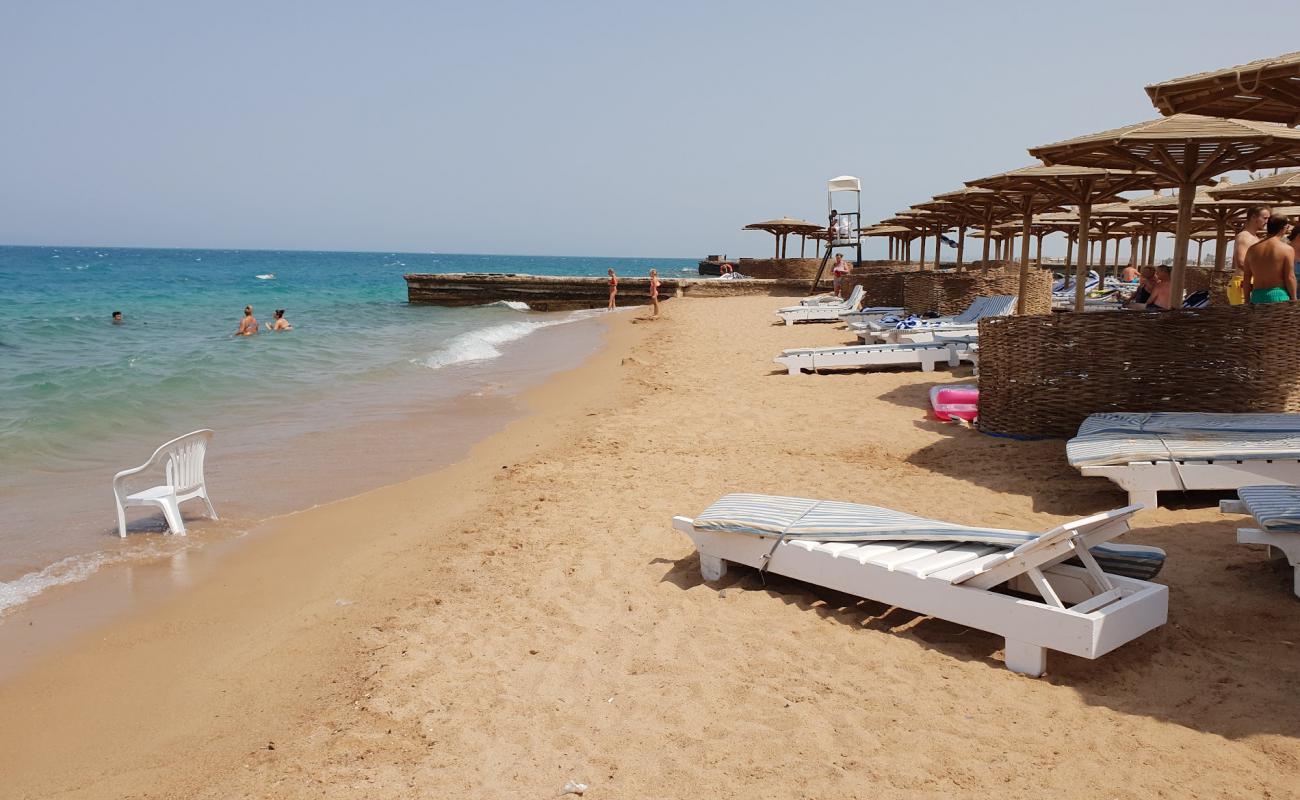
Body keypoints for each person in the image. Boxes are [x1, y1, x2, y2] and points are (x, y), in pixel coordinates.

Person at [1243, 215, 1296, 304]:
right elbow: (1290, 277)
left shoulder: (1252, 249)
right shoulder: (1287, 249)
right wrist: (1294, 300)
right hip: (1278, 296)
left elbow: (1246, 278)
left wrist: (1247, 301)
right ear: (1284, 228)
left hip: (1257, 296)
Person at [1232, 205, 1272, 273]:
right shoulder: (1244, 236)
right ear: (1253, 217)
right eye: (1265, 218)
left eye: (1268, 218)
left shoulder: (1255, 237)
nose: (1267, 221)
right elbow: (1241, 262)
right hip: (1243, 281)